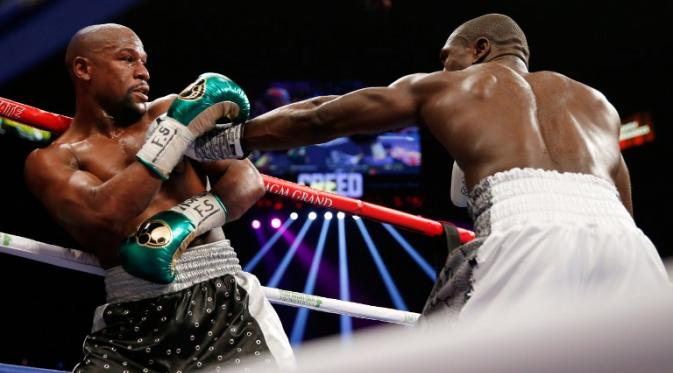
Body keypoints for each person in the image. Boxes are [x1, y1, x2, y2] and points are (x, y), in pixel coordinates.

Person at [205, 14, 671, 322]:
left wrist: (229, 139)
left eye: (447, 57)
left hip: (527, 238)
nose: (444, 67)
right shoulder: (597, 103)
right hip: (630, 249)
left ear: (480, 48)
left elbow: (326, 114)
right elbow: (623, 205)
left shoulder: (450, 88)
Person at [23, 24, 294, 372]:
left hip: (223, 305)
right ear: (83, 69)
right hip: (130, 322)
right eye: (127, 59)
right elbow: (107, 214)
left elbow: (247, 179)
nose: (143, 72)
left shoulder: (165, 111)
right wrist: (175, 134)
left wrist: (184, 221)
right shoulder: (53, 161)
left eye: (144, 61)